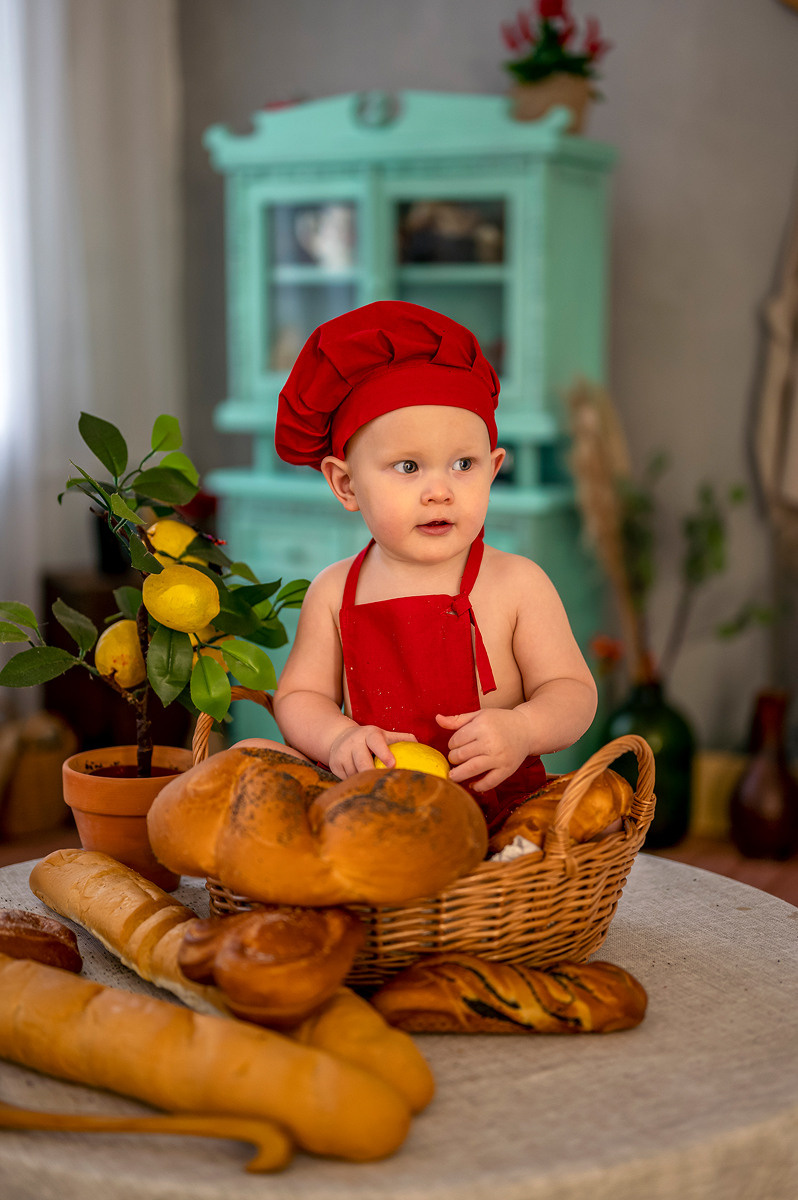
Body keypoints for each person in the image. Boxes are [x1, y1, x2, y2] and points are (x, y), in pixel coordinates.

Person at [239, 301, 597, 833]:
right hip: (370, 808)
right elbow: (299, 697)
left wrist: (521, 729)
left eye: (464, 464)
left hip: (495, 813)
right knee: (250, 759)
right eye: (408, 467)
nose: (439, 491)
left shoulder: (518, 583)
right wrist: (338, 738)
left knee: (575, 824)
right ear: (346, 485)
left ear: (493, 469)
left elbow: (573, 691)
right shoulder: (335, 590)